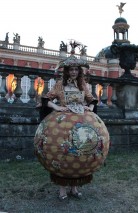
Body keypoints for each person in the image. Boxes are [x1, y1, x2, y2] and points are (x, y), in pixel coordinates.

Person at [34, 43, 110, 200]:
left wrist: (89, 107)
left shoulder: (82, 85)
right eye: (71, 69)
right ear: (67, 71)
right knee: (62, 153)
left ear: (79, 71)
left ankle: (74, 188)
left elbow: (92, 99)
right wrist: (57, 107)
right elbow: (46, 99)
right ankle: (62, 190)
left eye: (76, 69)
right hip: (62, 124)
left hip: (82, 119)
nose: (74, 72)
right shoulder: (59, 85)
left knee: (80, 153)